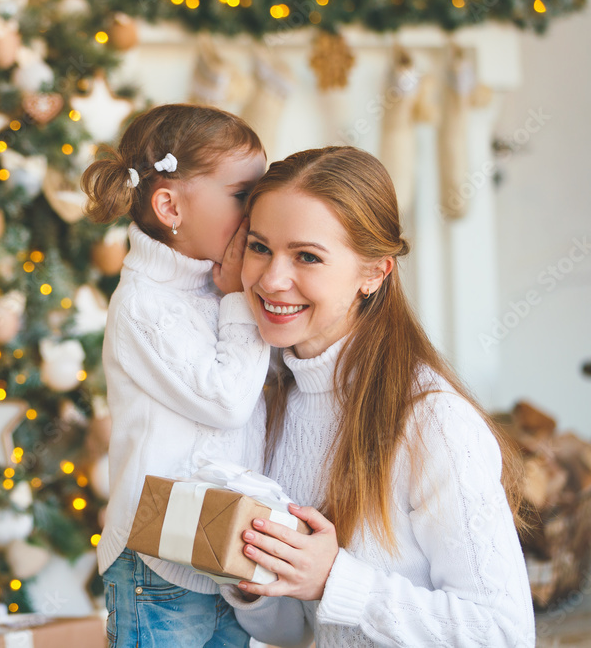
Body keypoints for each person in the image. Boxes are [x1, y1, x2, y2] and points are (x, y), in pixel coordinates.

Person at [222, 146, 534, 647]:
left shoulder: (433, 421)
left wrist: (336, 580)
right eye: (260, 247)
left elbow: (502, 633)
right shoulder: (270, 403)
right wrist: (247, 577)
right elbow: (296, 631)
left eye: (307, 256)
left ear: (375, 273)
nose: (272, 279)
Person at [81, 103, 270, 648]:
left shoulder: (218, 285)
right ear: (170, 206)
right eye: (242, 195)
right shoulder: (144, 302)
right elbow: (227, 399)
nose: (256, 212)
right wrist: (238, 298)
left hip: (220, 549)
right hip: (156, 561)